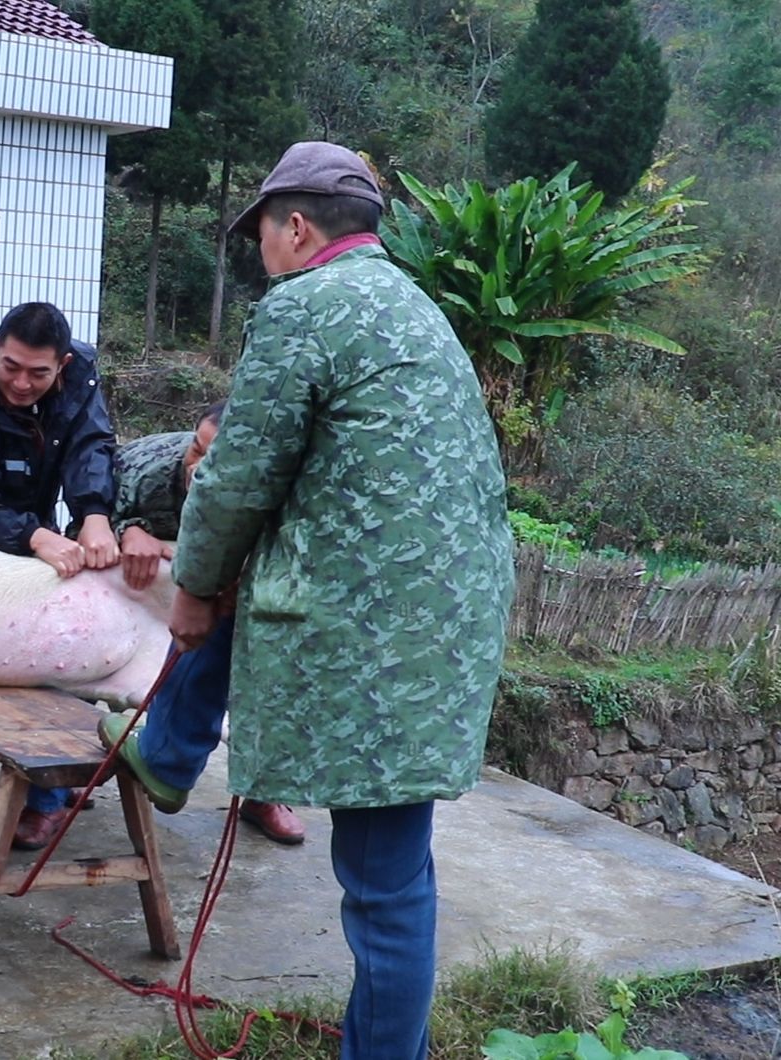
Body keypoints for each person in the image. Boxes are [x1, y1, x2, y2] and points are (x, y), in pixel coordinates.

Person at [140, 142, 514, 1060]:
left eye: (262, 233)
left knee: (384, 885)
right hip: (445, 627)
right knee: (399, 873)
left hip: (378, 636)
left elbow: (238, 479)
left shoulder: (306, 304)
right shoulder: (419, 310)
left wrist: (192, 590)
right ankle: (168, 754)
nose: (260, 253)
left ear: (296, 227)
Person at [0, 301, 121, 850]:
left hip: (36, 521)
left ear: (62, 363)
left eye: (39, 373)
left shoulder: (81, 371)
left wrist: (95, 514)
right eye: (11, 367)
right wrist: (35, 537)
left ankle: (49, 794)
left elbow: (90, 444)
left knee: (54, 644)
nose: (21, 383)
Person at [98, 403, 306, 844]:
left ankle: (262, 789)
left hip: (226, 564)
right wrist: (128, 528)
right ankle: (157, 752)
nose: (199, 467)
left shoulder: (283, 482)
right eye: (196, 450)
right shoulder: (148, 467)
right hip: (147, 573)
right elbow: (92, 501)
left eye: (216, 459)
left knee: (266, 645)